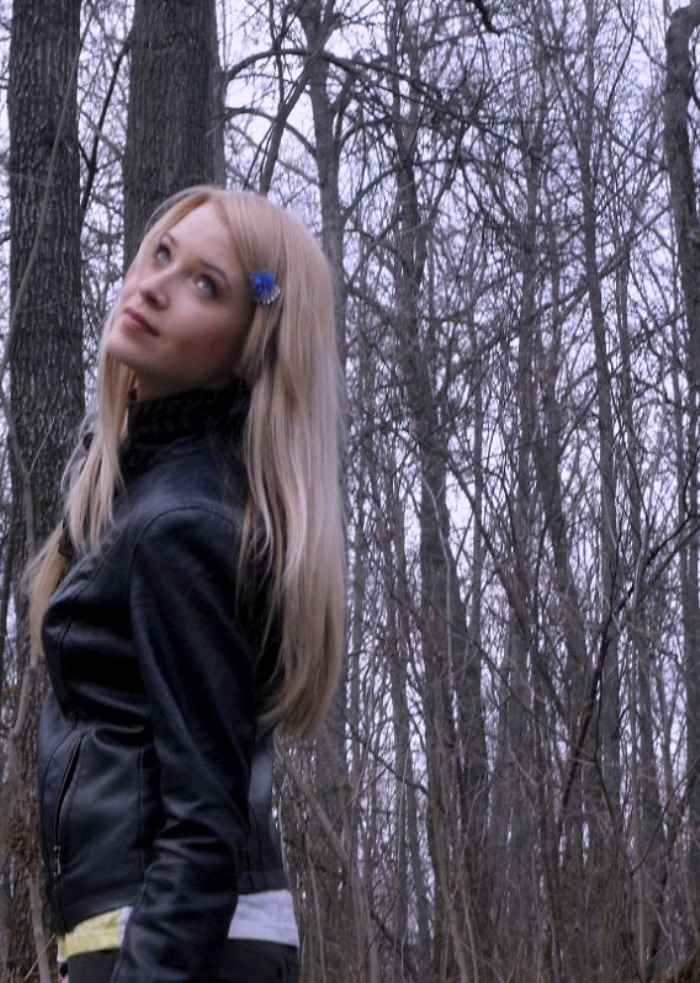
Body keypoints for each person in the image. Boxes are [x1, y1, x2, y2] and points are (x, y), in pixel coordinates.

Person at [29, 186, 345, 983]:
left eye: (206, 284)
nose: (155, 285)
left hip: (175, 938)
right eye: (162, 254)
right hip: (161, 933)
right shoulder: (158, 496)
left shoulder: (182, 526)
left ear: (248, 347)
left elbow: (206, 820)